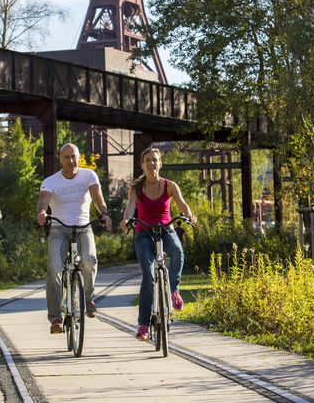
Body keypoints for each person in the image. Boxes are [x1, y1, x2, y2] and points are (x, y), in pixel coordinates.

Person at [119, 146, 197, 342]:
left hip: (166, 227)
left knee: (178, 251)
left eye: (155, 160)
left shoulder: (170, 185)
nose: (151, 163)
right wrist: (126, 220)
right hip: (143, 231)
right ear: (142, 165)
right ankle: (143, 325)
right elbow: (129, 209)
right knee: (148, 274)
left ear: (160, 163)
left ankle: (173, 291)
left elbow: (182, 204)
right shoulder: (136, 189)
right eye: (148, 160)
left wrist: (189, 216)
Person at [36, 142, 112, 334]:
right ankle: (56, 318)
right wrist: (42, 212)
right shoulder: (51, 181)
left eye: (74, 156)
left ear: (78, 157)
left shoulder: (89, 175)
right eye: (66, 157)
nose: (71, 160)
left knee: (89, 260)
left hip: (83, 227)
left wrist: (104, 214)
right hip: (59, 229)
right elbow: (43, 201)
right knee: (54, 268)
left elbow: (98, 198)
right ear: (60, 159)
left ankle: (88, 298)